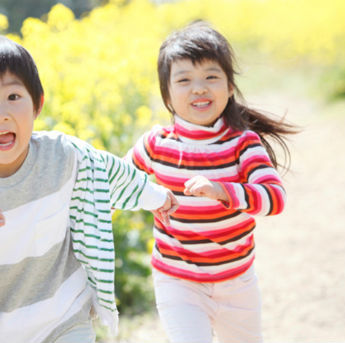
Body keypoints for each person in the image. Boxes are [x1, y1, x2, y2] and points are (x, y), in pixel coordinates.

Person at [0, 22, 178, 343]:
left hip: (66, 318)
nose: (0, 114)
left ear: (37, 103)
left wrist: (157, 197)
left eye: (13, 96)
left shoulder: (63, 155)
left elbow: (110, 173)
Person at [127, 21, 297, 343]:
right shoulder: (155, 144)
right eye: (184, 80)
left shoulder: (242, 144)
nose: (199, 88)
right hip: (177, 281)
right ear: (167, 93)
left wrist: (224, 191)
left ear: (230, 87)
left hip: (236, 283)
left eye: (211, 77)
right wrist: (150, 196)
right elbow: (118, 184)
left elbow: (275, 198)